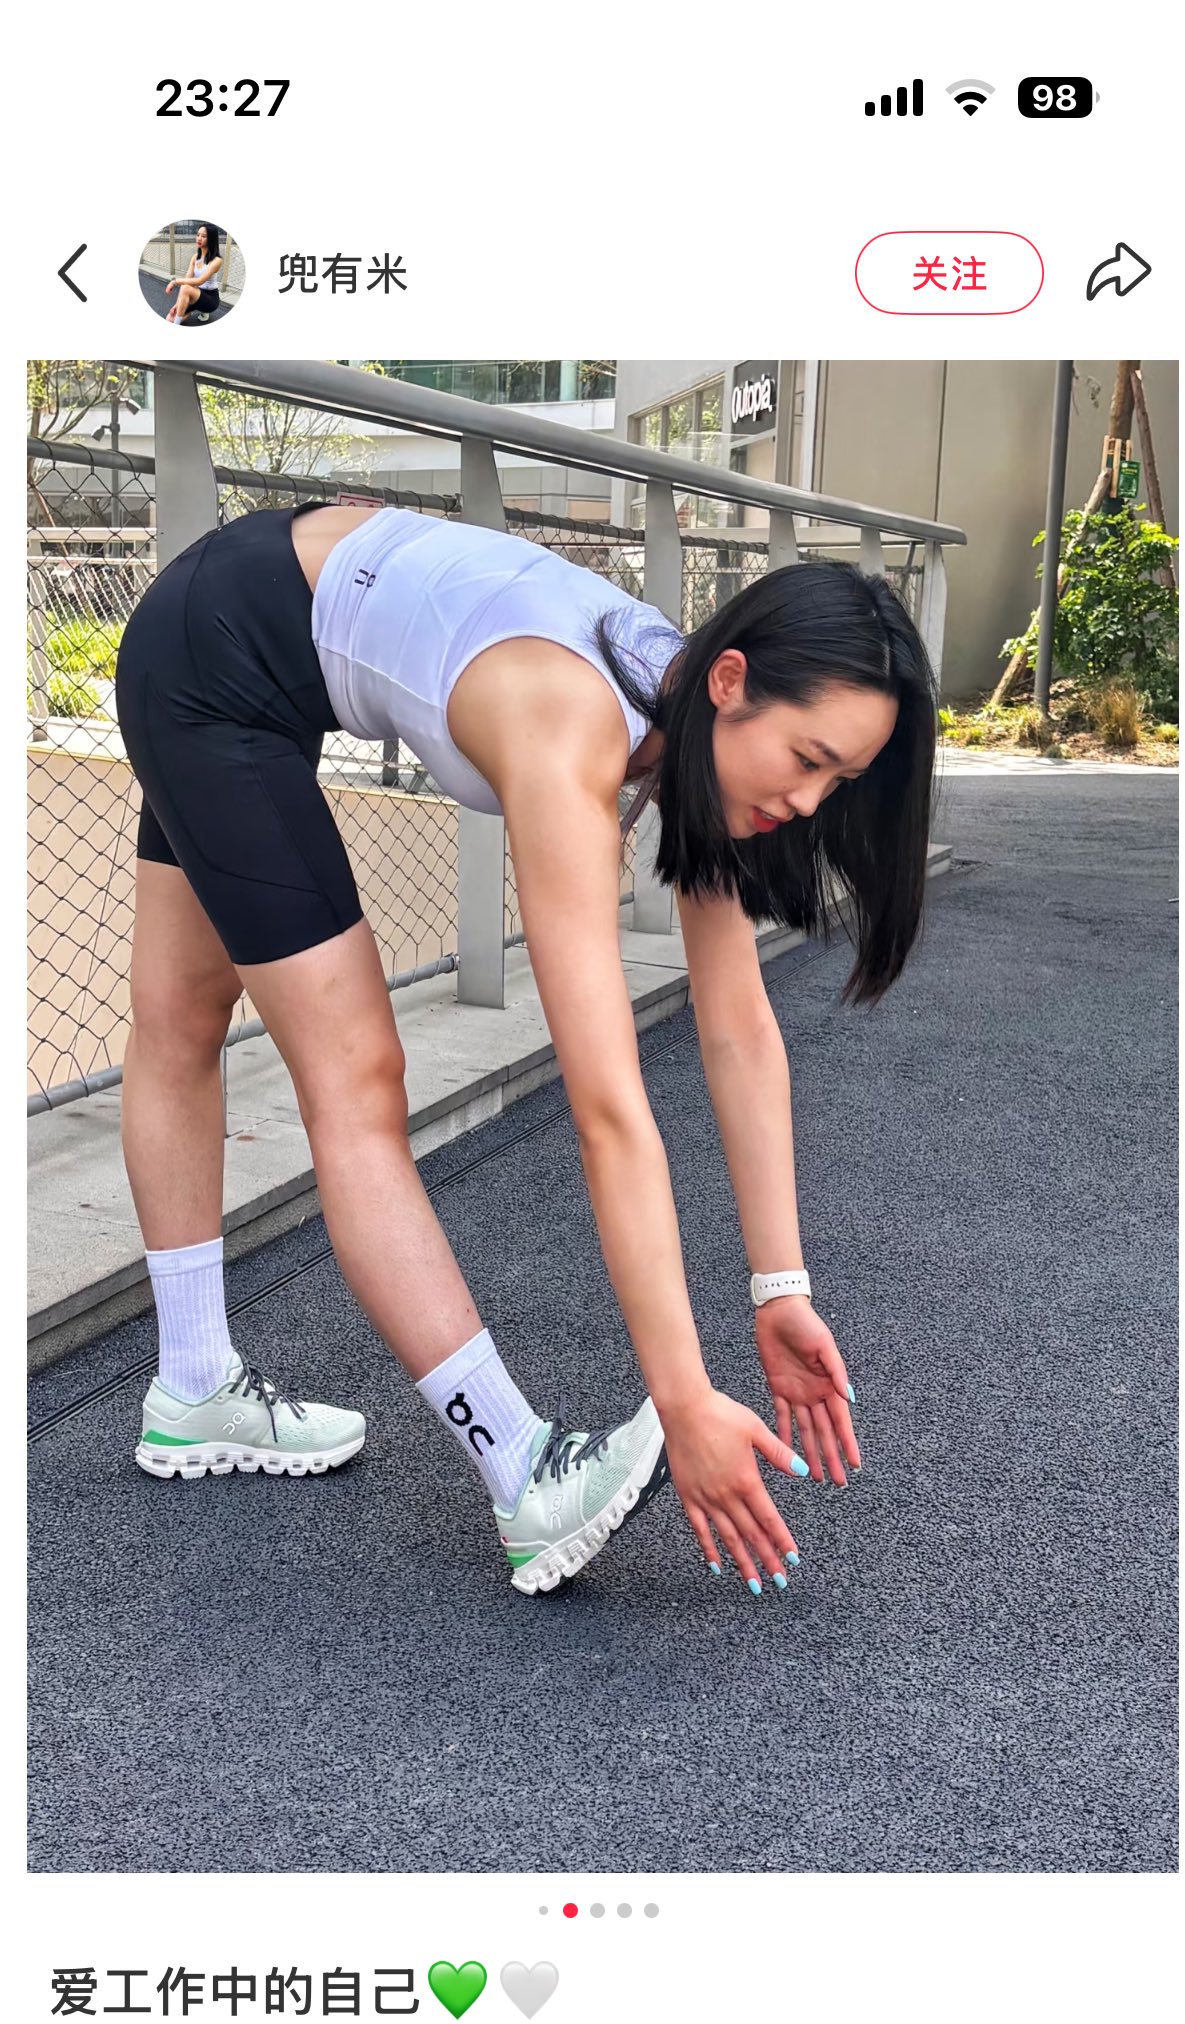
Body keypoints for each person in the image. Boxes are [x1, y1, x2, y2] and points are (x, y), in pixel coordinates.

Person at [114, 502, 936, 1595]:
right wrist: (682, 1398)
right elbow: (608, 1109)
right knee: (356, 1078)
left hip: (240, 616)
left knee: (181, 1017)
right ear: (731, 680)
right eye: (809, 759)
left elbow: (739, 1030)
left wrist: (779, 1287)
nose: (807, 800)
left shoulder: (691, 718)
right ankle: (523, 1471)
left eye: (839, 783)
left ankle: (191, 1387)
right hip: (215, 656)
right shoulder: (570, 728)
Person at [164, 225, 223, 325]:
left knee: (186, 288)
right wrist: (177, 305)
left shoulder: (217, 260)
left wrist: (175, 282)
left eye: (203, 236)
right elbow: (187, 280)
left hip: (210, 299)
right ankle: (190, 309)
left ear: (211, 239)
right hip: (196, 294)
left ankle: (177, 324)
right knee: (169, 318)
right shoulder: (195, 257)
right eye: (198, 235)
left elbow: (199, 281)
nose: (199, 238)